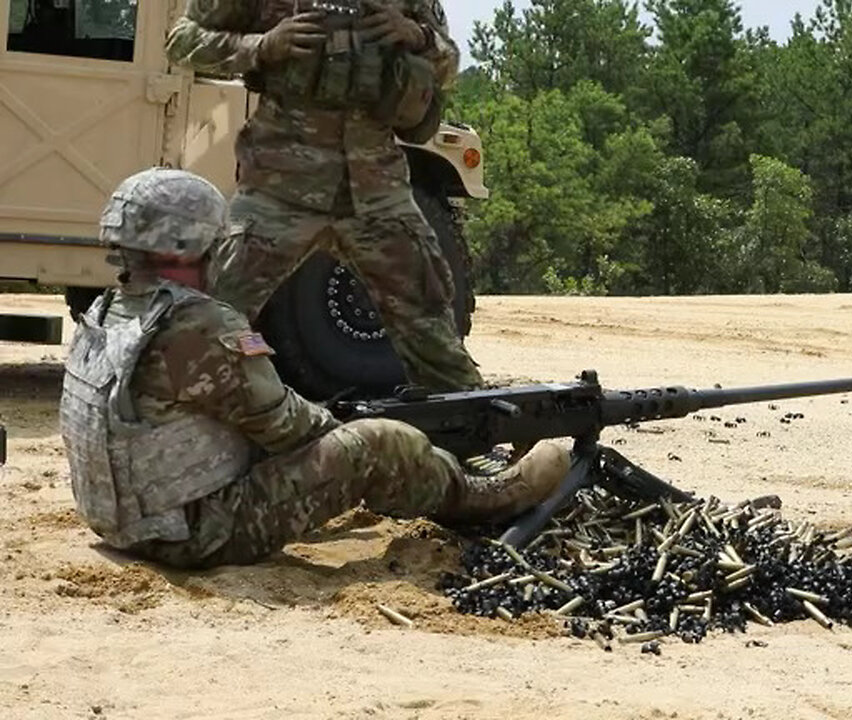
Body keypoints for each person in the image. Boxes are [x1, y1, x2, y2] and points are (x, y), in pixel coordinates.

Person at [60, 168, 569, 569]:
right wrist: (381, 439)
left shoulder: (112, 311)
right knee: (379, 444)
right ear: (190, 244)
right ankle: (486, 497)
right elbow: (290, 429)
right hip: (193, 536)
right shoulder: (197, 325)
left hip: (123, 523)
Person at [164, 0, 482, 391]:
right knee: (210, 317)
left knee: (431, 328)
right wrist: (261, 47)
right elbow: (180, 42)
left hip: (376, 189)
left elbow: (448, 65)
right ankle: (167, 426)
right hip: (280, 186)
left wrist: (418, 36)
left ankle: (467, 434)